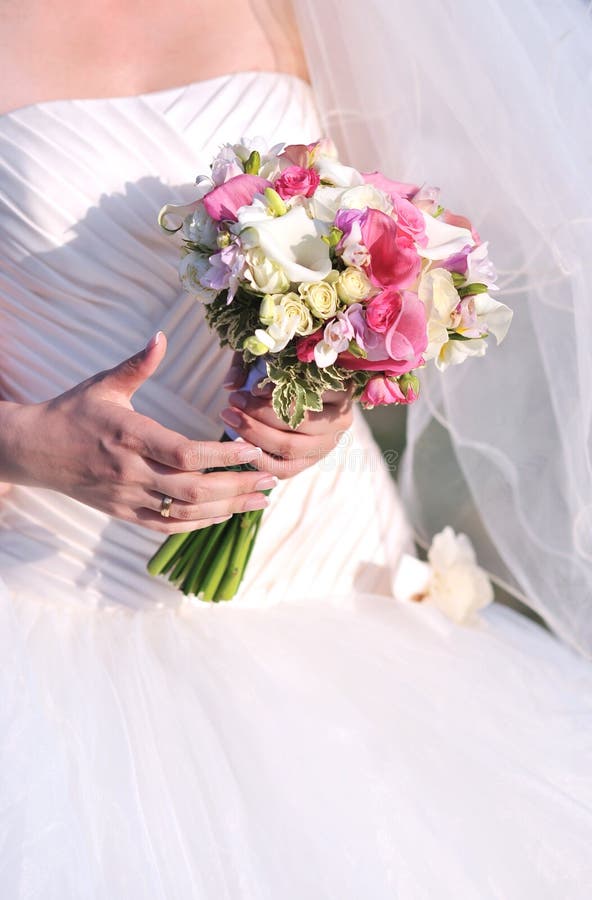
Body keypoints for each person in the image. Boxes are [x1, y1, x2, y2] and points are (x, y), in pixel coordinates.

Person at [1, 1, 591, 897]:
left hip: (342, 594)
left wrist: (344, 373)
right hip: (54, 602)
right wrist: (23, 444)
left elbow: (421, 235)